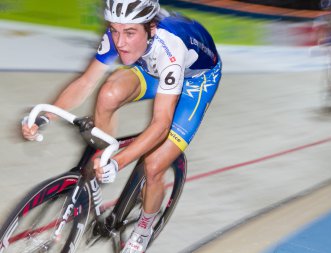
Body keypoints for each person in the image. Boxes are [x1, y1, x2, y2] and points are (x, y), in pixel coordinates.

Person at [21, 0, 222, 252]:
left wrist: (120, 162)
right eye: (114, 30)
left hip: (196, 83)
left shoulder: (171, 47)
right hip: (151, 68)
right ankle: (102, 157)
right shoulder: (123, 31)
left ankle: (144, 228)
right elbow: (86, 82)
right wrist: (44, 117)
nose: (120, 42)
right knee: (107, 93)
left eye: (129, 33)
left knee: (154, 164)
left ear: (151, 27)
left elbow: (161, 124)